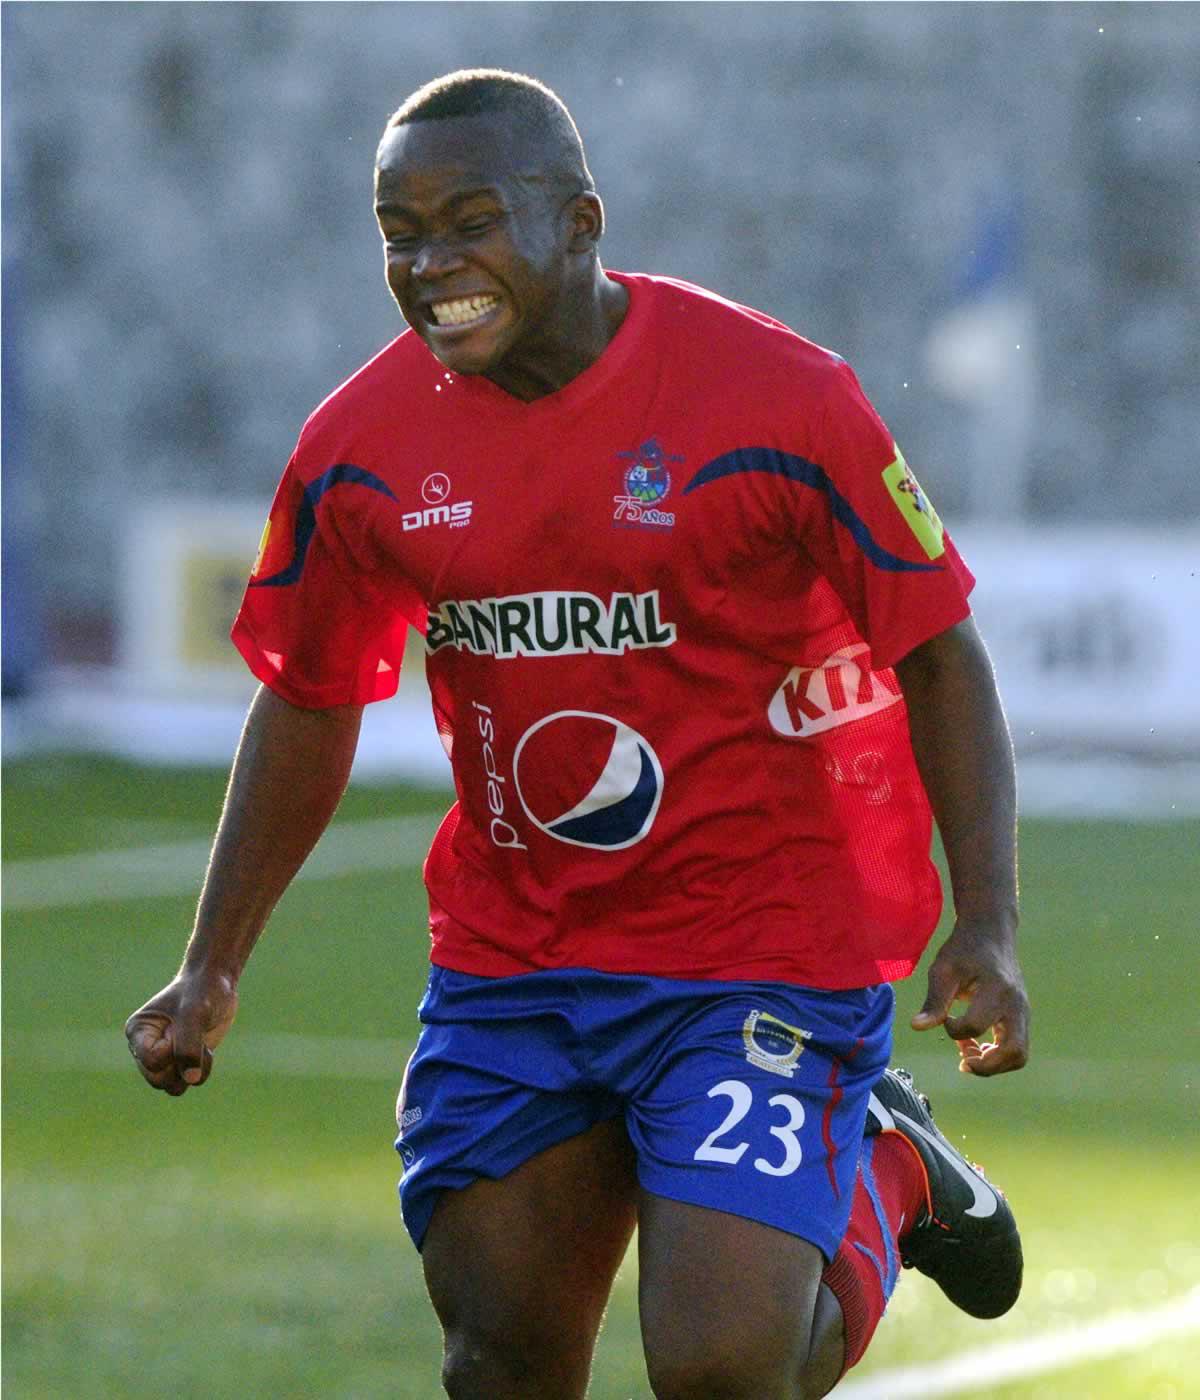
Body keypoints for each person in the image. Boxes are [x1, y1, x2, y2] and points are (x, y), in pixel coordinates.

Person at [126, 68, 1031, 1398]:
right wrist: (211, 964)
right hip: (518, 965)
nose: (433, 264)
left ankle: (885, 1178)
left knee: (721, 1371)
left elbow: (939, 656)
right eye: (400, 233)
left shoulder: (779, 401)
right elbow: (311, 697)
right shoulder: (359, 450)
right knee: (501, 1367)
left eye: (471, 219)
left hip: (759, 954)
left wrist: (989, 924)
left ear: (581, 222)